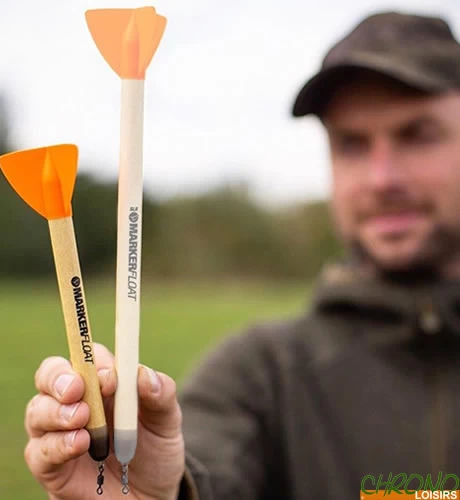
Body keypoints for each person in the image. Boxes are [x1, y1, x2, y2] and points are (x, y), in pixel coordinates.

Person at [23, 10, 460, 499]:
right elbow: (205, 463)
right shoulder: (261, 375)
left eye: (417, 135)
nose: (382, 179)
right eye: (352, 144)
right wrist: (166, 493)